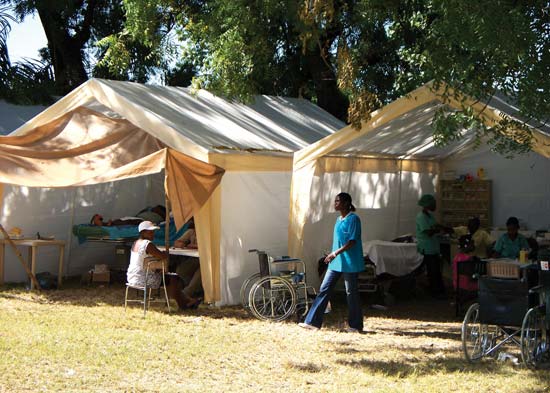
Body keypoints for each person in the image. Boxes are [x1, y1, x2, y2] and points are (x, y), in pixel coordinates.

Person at [299, 192, 364, 332]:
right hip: (336, 262)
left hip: (350, 263)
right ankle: (312, 322)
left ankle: (355, 326)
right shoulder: (338, 219)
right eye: (335, 201)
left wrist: (335, 253)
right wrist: (331, 254)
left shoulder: (354, 219)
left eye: (338, 201)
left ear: (346, 203)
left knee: (351, 293)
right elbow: (339, 241)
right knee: (324, 289)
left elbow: (352, 242)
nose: (335, 203)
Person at [127, 221, 200, 309]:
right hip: (144, 278)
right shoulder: (148, 244)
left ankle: (185, 301)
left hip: (132, 276)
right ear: (143, 232)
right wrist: (164, 253)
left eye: (153, 232)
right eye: (150, 232)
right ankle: (181, 304)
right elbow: (162, 256)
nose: (152, 234)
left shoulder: (136, 243)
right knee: (173, 279)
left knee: (169, 277)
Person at [416, 194, 451, 297]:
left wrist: (446, 228)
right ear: (427, 205)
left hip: (433, 248)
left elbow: (436, 225)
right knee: (433, 271)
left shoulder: (429, 215)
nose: (435, 206)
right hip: (426, 248)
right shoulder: (421, 217)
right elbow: (428, 232)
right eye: (433, 204)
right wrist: (440, 230)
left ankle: (439, 290)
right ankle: (436, 292)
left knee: (437, 270)